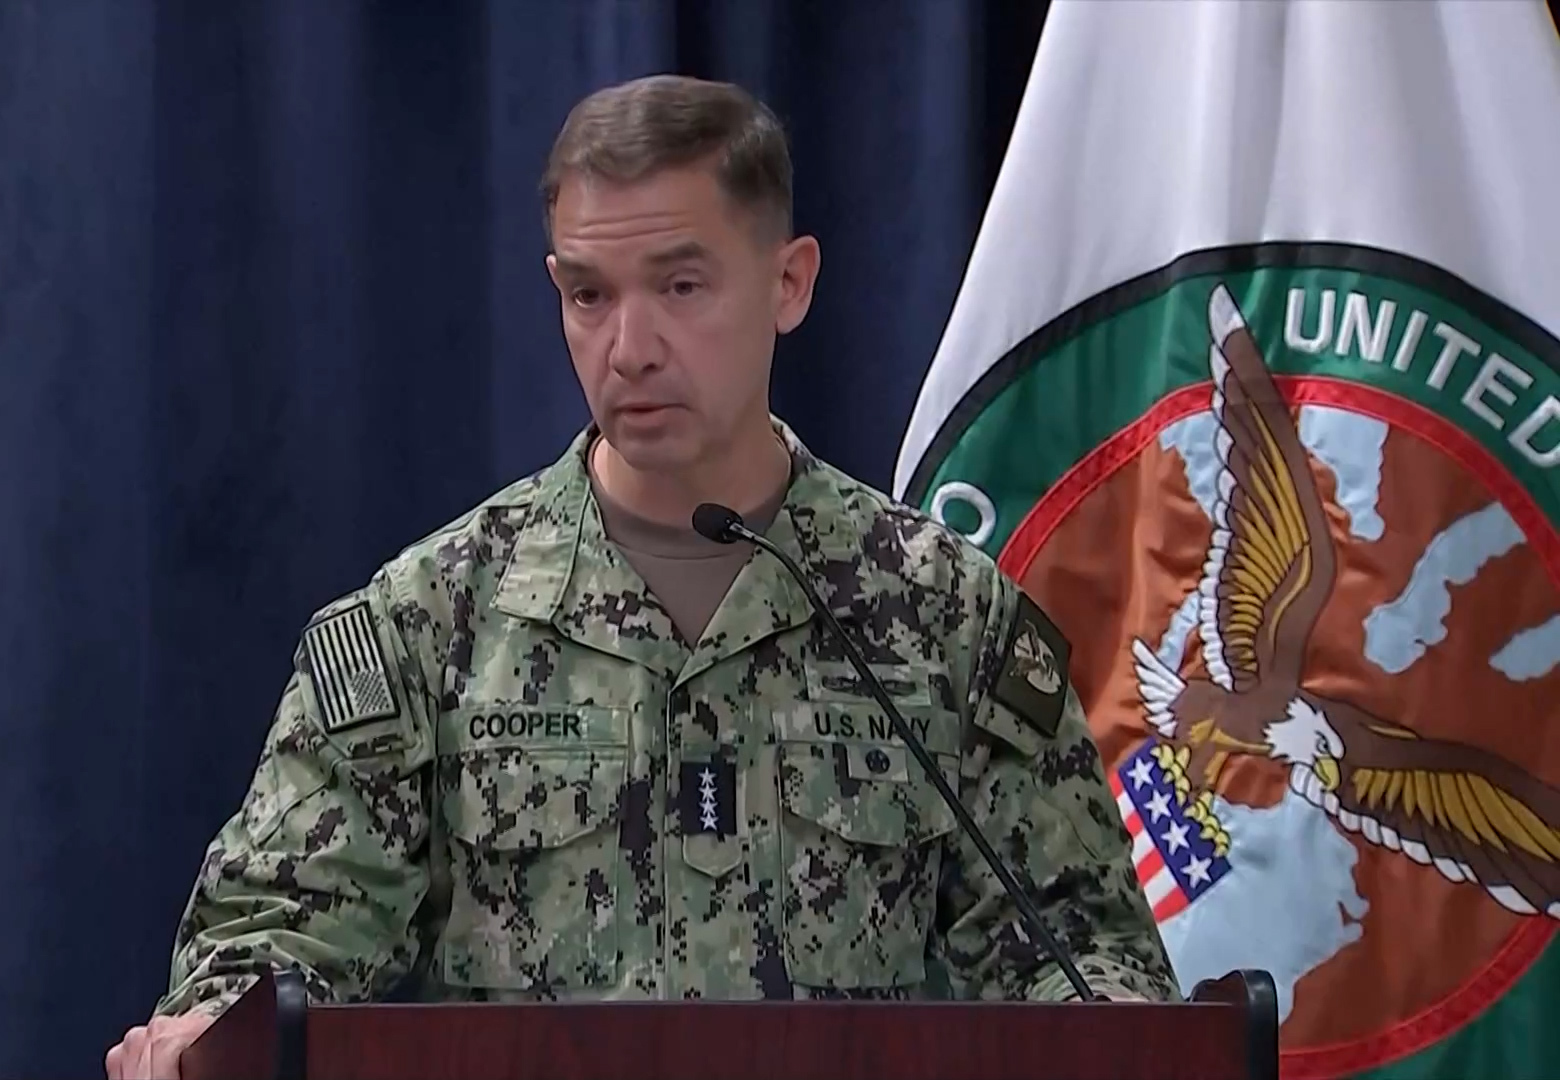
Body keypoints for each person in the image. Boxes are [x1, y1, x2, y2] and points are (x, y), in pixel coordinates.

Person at [106, 73, 1179, 1079]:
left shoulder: (945, 616)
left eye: (680, 286)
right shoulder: (429, 623)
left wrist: (1119, 1028)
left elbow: (1079, 955)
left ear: (790, 283)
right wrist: (213, 1028)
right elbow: (277, 940)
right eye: (589, 294)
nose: (629, 348)